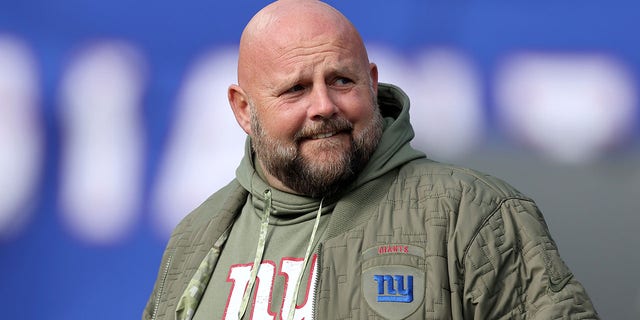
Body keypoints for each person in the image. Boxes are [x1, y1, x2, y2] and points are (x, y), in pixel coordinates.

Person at [143, 1, 599, 319]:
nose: (323, 105)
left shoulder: (473, 213)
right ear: (244, 109)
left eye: (341, 80)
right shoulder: (195, 242)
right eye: (296, 89)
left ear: (371, 80)